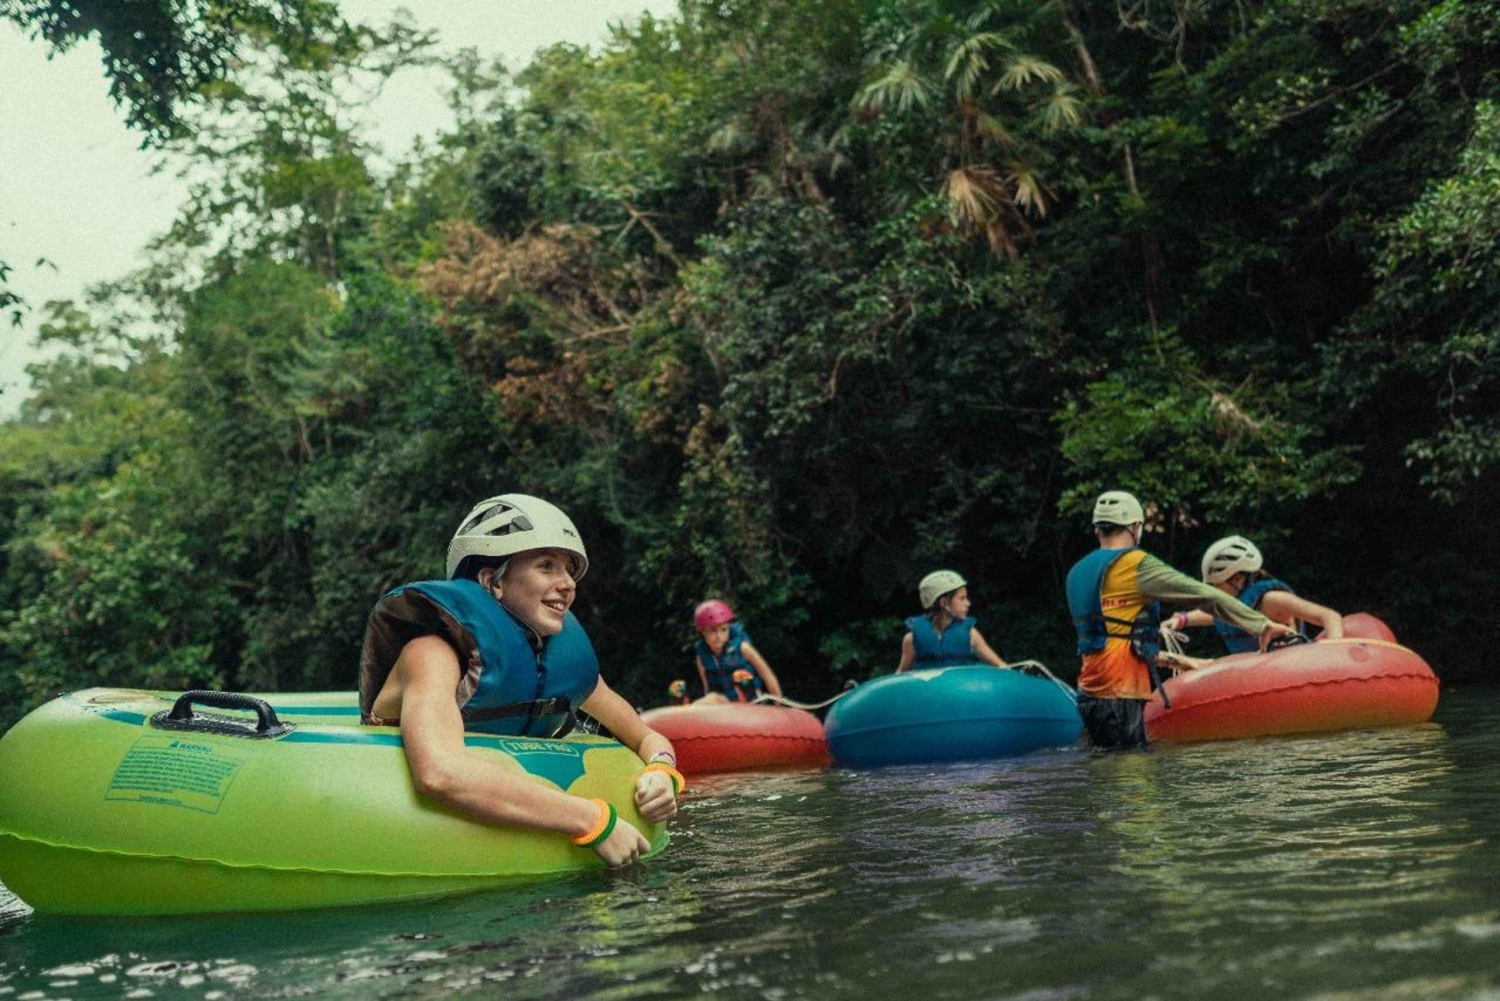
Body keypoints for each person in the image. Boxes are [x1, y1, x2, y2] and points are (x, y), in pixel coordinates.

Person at [358, 493, 683, 868]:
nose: (568, 584)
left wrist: (662, 771)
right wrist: (593, 820)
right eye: (547, 566)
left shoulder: (562, 666)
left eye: (569, 571)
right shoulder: (431, 654)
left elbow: (646, 737)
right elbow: (440, 773)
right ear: (491, 582)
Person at [1064, 490, 1295, 749]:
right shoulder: (1134, 564)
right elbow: (1206, 596)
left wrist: (1177, 661)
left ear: (1098, 531)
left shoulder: (1076, 573)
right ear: (1135, 527)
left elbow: (1112, 638)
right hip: (1120, 691)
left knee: (1108, 772)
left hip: (1088, 693)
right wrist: (1259, 624)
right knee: (1132, 781)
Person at [1163, 535, 1344, 654]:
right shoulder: (1233, 605)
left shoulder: (1272, 600)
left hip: (1292, 673)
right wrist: (1181, 619)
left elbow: (1329, 616)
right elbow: (1213, 614)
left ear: (1237, 579)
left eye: (1216, 586)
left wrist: (1334, 654)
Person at [895, 570, 1008, 672]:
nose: (968, 604)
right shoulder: (911, 639)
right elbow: (902, 674)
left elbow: (1000, 665)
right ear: (944, 602)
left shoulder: (971, 634)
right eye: (962, 598)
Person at [692, 600, 783, 702]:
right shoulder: (701, 658)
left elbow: (768, 676)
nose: (718, 636)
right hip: (725, 702)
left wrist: (778, 702)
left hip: (751, 699)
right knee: (711, 698)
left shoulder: (743, 648)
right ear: (703, 632)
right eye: (713, 631)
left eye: (723, 630)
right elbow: (707, 687)